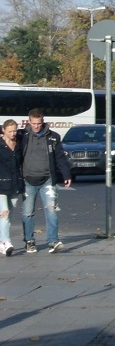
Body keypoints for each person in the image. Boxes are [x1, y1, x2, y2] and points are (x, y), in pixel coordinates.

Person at [18, 109, 72, 254]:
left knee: (51, 210)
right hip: (27, 179)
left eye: (39, 123)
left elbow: (60, 157)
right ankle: (29, 241)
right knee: (28, 213)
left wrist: (66, 174)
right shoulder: (22, 136)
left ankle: (53, 241)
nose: (36, 126)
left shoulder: (53, 137)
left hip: (47, 179)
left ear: (43, 121)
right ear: (29, 122)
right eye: (34, 123)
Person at [0, 119, 24, 256]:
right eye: (10, 131)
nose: (13, 133)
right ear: (3, 130)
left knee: (9, 214)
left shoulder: (18, 144)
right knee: (4, 213)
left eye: (15, 130)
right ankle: (7, 241)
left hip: (15, 184)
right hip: (1, 184)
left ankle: (1, 242)